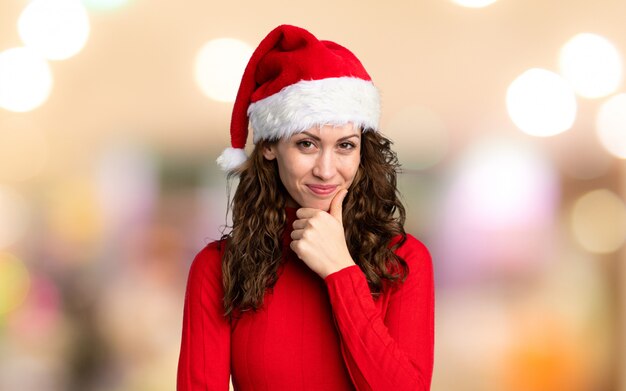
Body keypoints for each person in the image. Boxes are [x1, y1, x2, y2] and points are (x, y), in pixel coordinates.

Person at [177, 24, 434, 391]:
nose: (327, 170)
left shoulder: (405, 261)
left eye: (345, 146)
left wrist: (341, 272)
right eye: (307, 144)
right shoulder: (218, 268)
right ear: (269, 146)